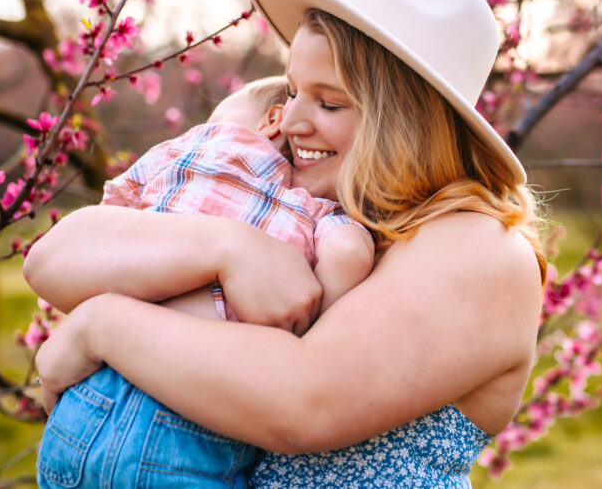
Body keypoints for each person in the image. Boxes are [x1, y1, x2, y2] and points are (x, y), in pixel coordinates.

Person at [25, 0, 546, 487]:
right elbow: (57, 254)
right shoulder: (296, 200)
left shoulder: (480, 247)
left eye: (330, 103)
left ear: (409, 124)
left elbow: (307, 400)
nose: (290, 120)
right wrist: (229, 247)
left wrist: (99, 325)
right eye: (294, 90)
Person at [34, 77, 375, 488]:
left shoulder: (176, 153)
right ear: (275, 117)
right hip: (191, 431)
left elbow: (111, 213)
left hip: (80, 413)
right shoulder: (316, 208)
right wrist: (317, 314)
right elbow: (347, 255)